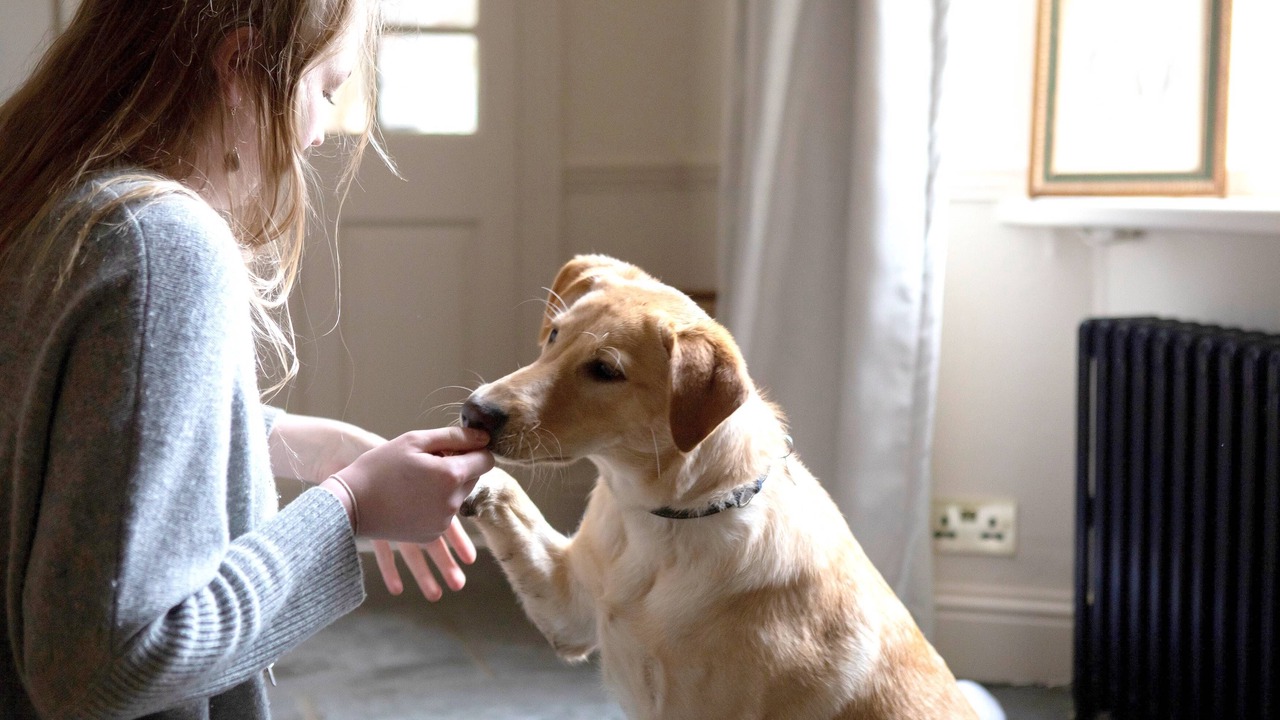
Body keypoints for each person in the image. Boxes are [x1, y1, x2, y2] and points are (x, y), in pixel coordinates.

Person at [0, 0, 495, 717]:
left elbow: (58, 416)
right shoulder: (160, 245)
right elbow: (111, 664)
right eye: (326, 88)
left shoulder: (46, 199)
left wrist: (287, 441)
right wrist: (349, 505)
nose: (323, 131)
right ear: (239, 67)